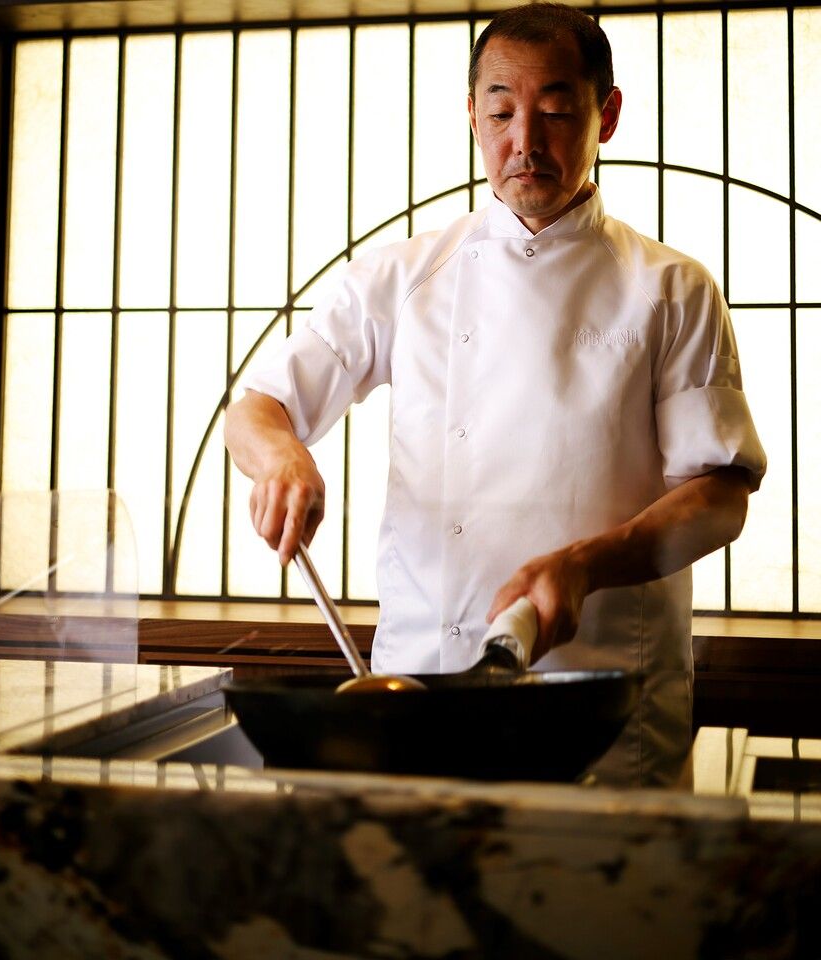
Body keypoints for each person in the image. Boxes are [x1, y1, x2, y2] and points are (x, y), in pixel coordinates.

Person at [224, 2, 766, 786]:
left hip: (602, 712)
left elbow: (720, 497)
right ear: (471, 114)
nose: (525, 143)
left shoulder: (671, 288)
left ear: (605, 116)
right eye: (502, 111)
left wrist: (584, 565)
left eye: (555, 111)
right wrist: (281, 460)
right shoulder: (405, 277)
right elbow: (257, 408)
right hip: (415, 695)